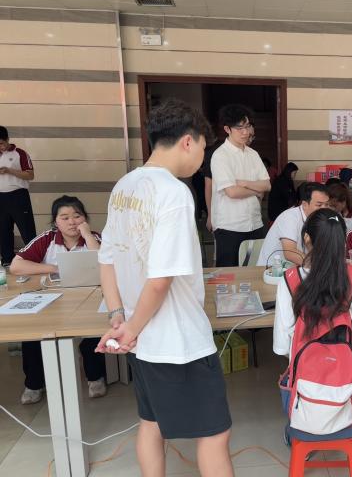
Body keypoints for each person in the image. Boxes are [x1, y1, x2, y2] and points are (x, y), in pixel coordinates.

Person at [95, 99, 233, 477]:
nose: (202, 158)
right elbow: (160, 280)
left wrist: (121, 319)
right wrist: (131, 329)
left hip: (141, 340)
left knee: (151, 423)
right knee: (215, 434)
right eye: (203, 148)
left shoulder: (124, 186)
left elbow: (107, 259)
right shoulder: (173, 192)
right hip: (178, 340)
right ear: (188, 141)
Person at [273, 208, 352, 436]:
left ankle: (303, 431)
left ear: (306, 238)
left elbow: (282, 347)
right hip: (351, 394)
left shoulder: (289, 280)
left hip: (304, 395)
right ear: (342, 240)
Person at [10, 195, 106, 404]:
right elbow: (16, 266)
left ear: (85, 218)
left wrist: (87, 234)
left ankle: (95, 377)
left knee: (92, 333)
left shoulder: (95, 238)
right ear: (56, 222)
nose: (72, 222)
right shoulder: (47, 239)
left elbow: (104, 263)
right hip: (53, 301)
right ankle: (34, 384)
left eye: (77, 216)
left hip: (88, 299)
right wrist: (55, 268)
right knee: (32, 337)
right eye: (65, 217)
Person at [211, 104, 271, 267]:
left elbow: (267, 185)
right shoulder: (220, 156)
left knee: (254, 272)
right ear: (227, 129)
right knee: (229, 275)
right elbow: (232, 192)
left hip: (255, 223)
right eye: (239, 128)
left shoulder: (253, 154)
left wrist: (244, 184)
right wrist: (255, 190)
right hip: (230, 226)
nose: (246, 132)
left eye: (248, 126)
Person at [257, 182, 329, 266]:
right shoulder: (290, 217)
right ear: (304, 204)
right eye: (319, 205)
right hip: (271, 269)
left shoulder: (320, 219)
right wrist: (319, 266)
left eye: (327, 204)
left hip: (297, 268)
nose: (324, 209)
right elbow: (290, 253)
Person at [0, 125, 36, 266]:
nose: (0, 147)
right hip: (1, 197)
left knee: (27, 229)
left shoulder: (19, 153)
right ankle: (7, 260)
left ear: (7, 139)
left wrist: (10, 171)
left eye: (1, 143)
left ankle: (34, 258)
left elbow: (30, 175)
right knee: (3, 229)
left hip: (18, 196)